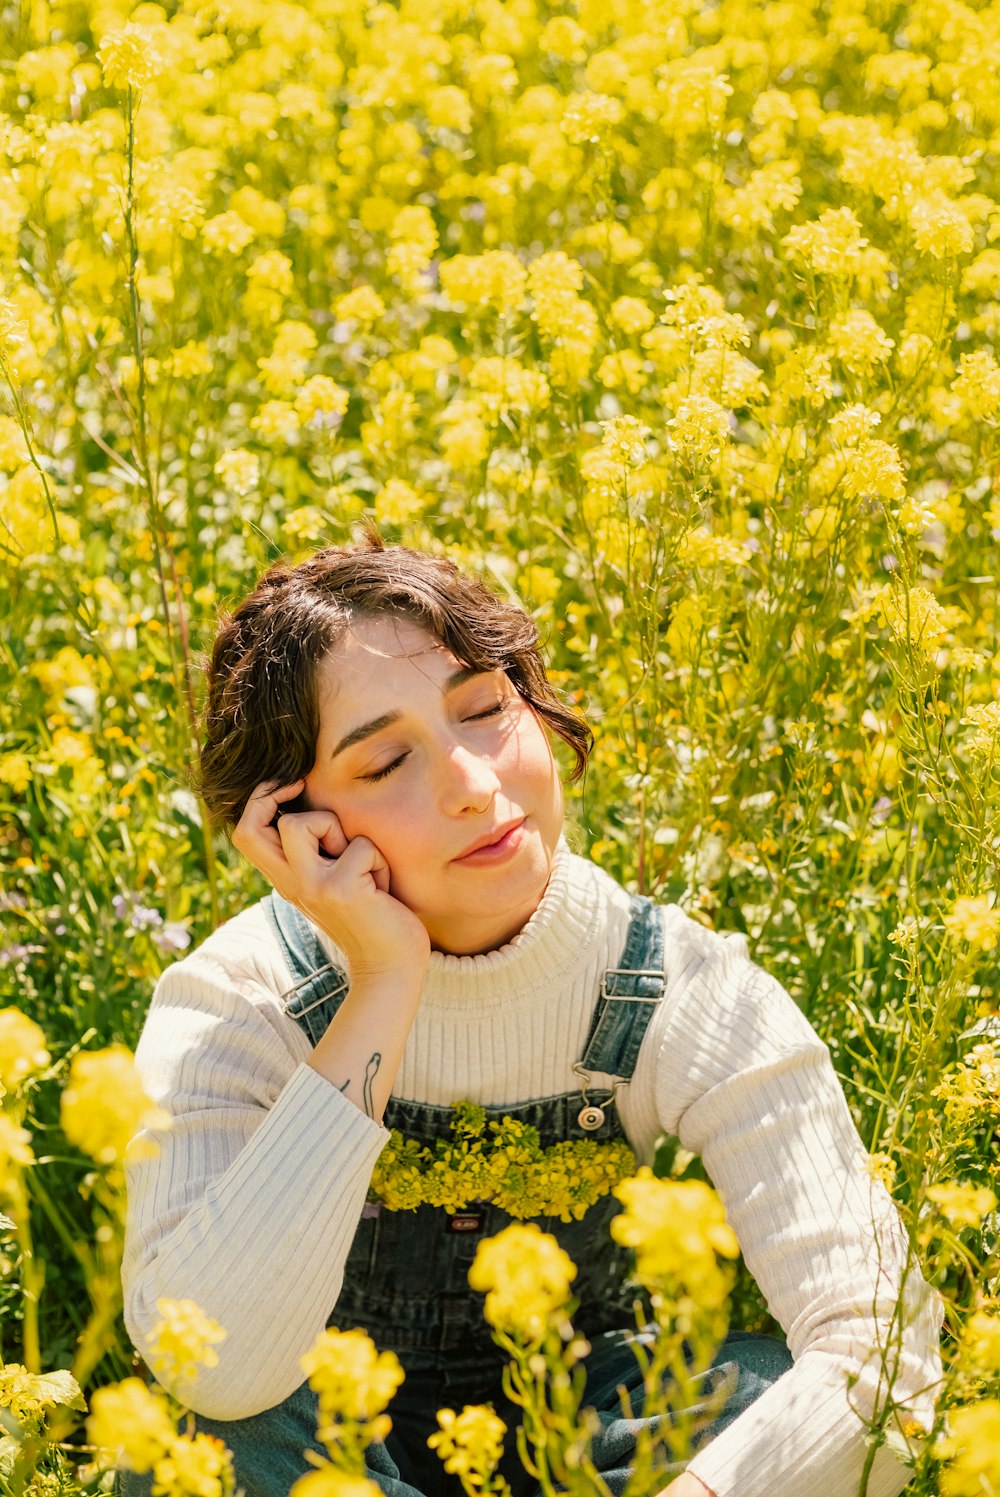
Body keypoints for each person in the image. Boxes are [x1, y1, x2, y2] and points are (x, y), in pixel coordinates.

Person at [121, 535, 941, 1497]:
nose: (476, 784)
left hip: (591, 1450)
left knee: (771, 1398)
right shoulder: (240, 998)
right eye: (387, 762)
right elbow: (214, 1364)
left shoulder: (678, 984)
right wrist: (385, 977)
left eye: (484, 709)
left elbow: (881, 1347)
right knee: (195, 1430)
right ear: (296, 825)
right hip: (336, 1455)